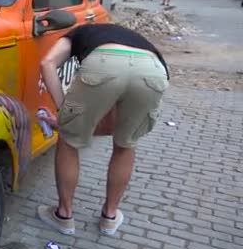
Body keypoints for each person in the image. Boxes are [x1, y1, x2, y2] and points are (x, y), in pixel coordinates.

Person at [36, 23, 170, 236]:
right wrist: (75, 120)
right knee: (126, 143)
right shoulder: (135, 39)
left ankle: (64, 215)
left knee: (69, 140)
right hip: (153, 69)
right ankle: (109, 217)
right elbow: (109, 125)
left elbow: (47, 63)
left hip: (105, 61)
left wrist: (65, 115)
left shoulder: (77, 33)